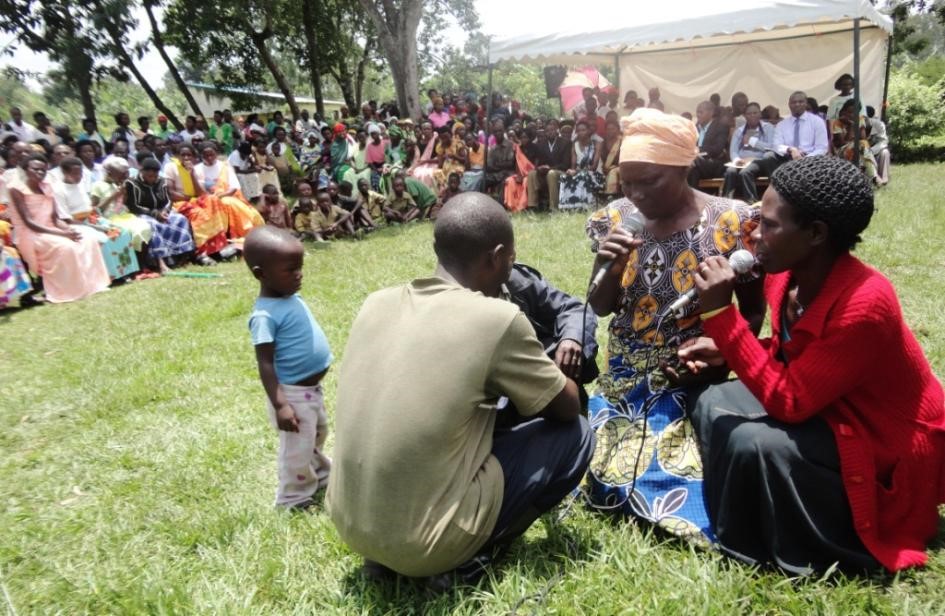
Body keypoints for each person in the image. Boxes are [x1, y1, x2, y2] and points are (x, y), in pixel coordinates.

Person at [684, 155, 945, 574]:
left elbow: (792, 401)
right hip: (832, 403)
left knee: (758, 443)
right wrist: (731, 351)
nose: (755, 234)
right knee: (712, 399)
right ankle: (738, 512)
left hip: (881, 440)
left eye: (769, 225)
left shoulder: (866, 302)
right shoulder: (784, 275)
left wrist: (722, 319)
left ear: (816, 234)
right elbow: (801, 354)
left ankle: (780, 547)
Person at [327, 193, 593, 588]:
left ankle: (388, 557)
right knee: (576, 435)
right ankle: (469, 556)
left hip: (351, 526)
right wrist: (551, 365)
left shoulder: (375, 303)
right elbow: (566, 409)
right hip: (426, 548)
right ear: (497, 256)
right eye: (511, 256)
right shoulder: (497, 318)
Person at [583, 107, 764, 544]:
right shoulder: (616, 221)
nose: (636, 193)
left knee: (672, 468)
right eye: (628, 181)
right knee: (594, 461)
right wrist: (611, 263)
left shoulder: (732, 221)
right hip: (625, 374)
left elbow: (755, 311)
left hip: (689, 376)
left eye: (650, 181)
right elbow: (600, 305)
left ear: (684, 168)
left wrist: (720, 349)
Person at [245, 226, 333, 510]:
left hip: (310, 391)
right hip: (292, 395)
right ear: (261, 274)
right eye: (290, 270)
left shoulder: (290, 298)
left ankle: (319, 475)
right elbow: (265, 364)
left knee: (317, 435)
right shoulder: (263, 315)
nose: (299, 274)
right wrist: (281, 405)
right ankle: (292, 498)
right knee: (296, 449)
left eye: (300, 267)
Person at [7, 155, 111, 303]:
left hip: (52, 228)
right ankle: (66, 291)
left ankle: (91, 285)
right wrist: (63, 233)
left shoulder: (47, 187)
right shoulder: (16, 189)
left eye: (43, 170)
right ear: (25, 170)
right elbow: (29, 222)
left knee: (88, 238)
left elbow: (55, 218)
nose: (40, 173)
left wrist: (69, 230)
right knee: (66, 247)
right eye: (35, 169)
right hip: (32, 233)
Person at [64, 158, 140, 281]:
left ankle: (125, 271)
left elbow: (91, 210)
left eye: (80, 174)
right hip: (80, 222)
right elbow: (96, 208)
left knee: (122, 232)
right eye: (75, 174)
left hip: (93, 218)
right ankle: (111, 276)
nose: (78, 177)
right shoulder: (64, 190)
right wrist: (113, 196)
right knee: (107, 236)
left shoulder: (80, 188)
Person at [124, 158, 196, 273]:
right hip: (142, 214)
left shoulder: (161, 181)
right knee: (151, 224)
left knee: (180, 219)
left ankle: (183, 257)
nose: (152, 179)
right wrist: (155, 214)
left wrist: (165, 211)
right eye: (149, 176)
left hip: (161, 212)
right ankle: (160, 262)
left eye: (155, 176)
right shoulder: (132, 184)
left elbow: (168, 201)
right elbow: (134, 206)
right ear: (142, 172)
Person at [163, 144, 231, 265]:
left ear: (194, 158)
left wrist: (192, 174)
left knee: (213, 201)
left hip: (193, 200)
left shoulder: (196, 170)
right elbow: (170, 192)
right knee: (200, 214)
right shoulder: (171, 167)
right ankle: (201, 252)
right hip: (179, 202)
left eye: (189, 155)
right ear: (177, 156)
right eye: (183, 155)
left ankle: (216, 248)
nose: (186, 158)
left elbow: (200, 193)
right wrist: (189, 198)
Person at [194, 142, 264, 239]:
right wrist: (211, 199)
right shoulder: (196, 170)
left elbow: (233, 188)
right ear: (201, 155)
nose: (209, 158)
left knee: (228, 203)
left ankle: (241, 234)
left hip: (227, 197)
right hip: (206, 200)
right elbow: (198, 191)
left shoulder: (225, 166)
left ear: (216, 153)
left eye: (212, 154)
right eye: (206, 155)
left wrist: (217, 197)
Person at [723, 102, 776, 201]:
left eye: (755, 113)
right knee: (730, 171)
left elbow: (772, 147)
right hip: (741, 162)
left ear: (760, 114)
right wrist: (737, 160)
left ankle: (751, 202)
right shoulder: (739, 131)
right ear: (744, 116)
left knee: (745, 172)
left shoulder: (768, 128)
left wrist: (753, 141)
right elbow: (733, 150)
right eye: (749, 113)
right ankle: (727, 200)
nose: (752, 116)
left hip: (759, 161)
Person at [526, 118, 572, 211]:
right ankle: (533, 206)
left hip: (561, 172)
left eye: (552, 130)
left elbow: (566, 164)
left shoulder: (565, 143)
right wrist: (540, 168)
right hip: (546, 172)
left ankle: (553, 207)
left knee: (551, 173)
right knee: (531, 173)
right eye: (547, 131)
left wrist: (550, 168)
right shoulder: (541, 145)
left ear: (556, 131)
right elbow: (541, 162)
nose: (550, 132)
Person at [559, 119, 604, 210]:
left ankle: (585, 204)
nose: (581, 133)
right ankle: (569, 205)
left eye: (583, 130)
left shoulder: (596, 144)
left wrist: (577, 171)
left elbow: (594, 166)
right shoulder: (574, 145)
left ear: (588, 131)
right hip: (579, 171)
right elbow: (573, 165)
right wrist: (572, 171)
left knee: (583, 175)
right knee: (564, 177)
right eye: (578, 131)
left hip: (595, 174)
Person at [830, 99, 878, 184]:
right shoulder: (837, 123)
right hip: (842, 151)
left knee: (862, 145)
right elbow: (844, 143)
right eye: (849, 112)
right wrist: (852, 126)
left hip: (859, 148)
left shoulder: (860, 119)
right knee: (859, 146)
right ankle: (875, 177)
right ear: (844, 111)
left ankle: (871, 177)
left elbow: (863, 138)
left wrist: (857, 127)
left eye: (854, 112)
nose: (851, 115)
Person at [687, 101, 730, 188]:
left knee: (693, 162)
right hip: (697, 164)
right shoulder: (696, 127)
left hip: (714, 163)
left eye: (701, 112)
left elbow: (718, 149)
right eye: (697, 112)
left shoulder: (720, 126)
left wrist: (698, 150)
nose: (698, 115)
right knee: (693, 171)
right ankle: (689, 198)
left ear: (711, 113)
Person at [484, 118, 516, 205]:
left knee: (505, 180)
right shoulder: (493, 149)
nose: (498, 133)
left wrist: (497, 165)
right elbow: (489, 166)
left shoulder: (510, 145)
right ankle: (482, 203)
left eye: (500, 131)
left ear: (504, 131)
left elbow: (510, 163)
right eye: (496, 131)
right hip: (496, 174)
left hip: (508, 173)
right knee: (483, 180)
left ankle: (500, 205)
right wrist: (501, 165)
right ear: (493, 133)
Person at [865, 105, 890, 186]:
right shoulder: (857, 123)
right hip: (863, 150)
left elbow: (884, 141)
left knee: (885, 152)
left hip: (876, 149)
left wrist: (872, 150)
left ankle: (884, 179)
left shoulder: (879, 125)